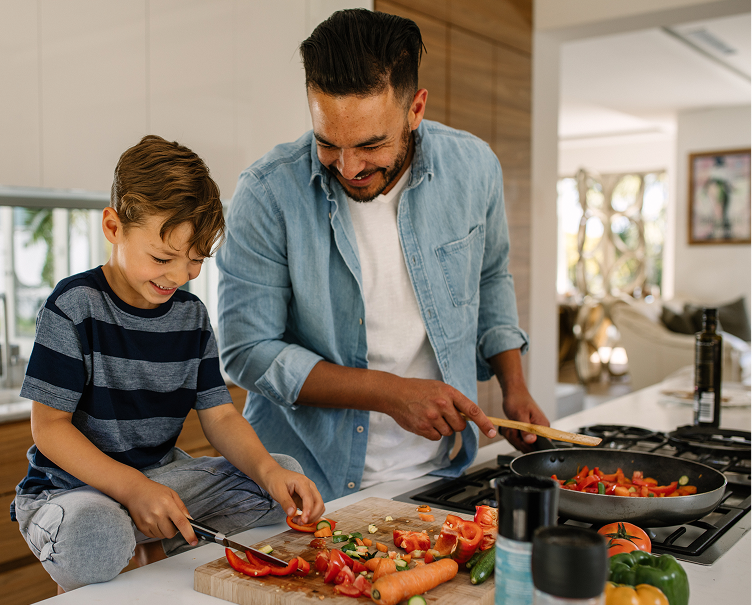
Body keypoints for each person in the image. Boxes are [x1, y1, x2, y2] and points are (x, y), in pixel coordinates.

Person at [216, 9, 549, 501]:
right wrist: (390, 393)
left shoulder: (475, 168)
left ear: (415, 109)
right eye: (328, 143)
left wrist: (513, 383)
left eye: (371, 144)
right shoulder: (266, 193)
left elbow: (491, 277)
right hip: (303, 484)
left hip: (441, 474)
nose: (348, 168)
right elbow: (247, 352)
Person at [11, 135, 323, 593]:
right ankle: (130, 541)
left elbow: (219, 416)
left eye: (195, 260)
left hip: (159, 479)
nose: (178, 277)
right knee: (96, 532)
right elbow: (50, 428)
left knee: (276, 479)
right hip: (70, 491)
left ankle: (146, 541)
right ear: (113, 227)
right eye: (162, 257)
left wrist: (270, 472)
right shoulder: (74, 306)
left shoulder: (191, 316)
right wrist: (133, 490)